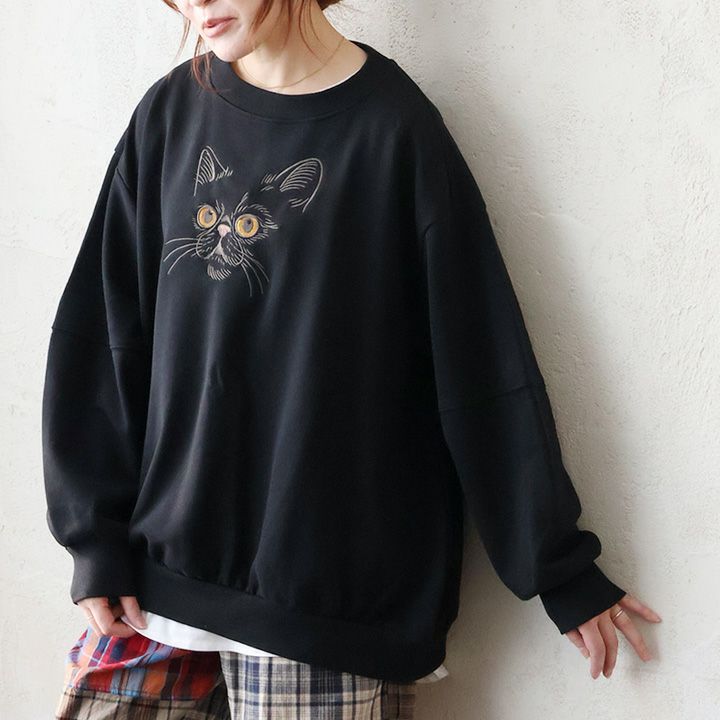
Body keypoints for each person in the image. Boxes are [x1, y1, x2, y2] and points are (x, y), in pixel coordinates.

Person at [42, 1, 662, 718]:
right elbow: (101, 336)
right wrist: (94, 539)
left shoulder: (394, 131)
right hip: (152, 588)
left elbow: (479, 361)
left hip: (323, 614)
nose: (195, 2)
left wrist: (557, 565)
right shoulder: (171, 116)